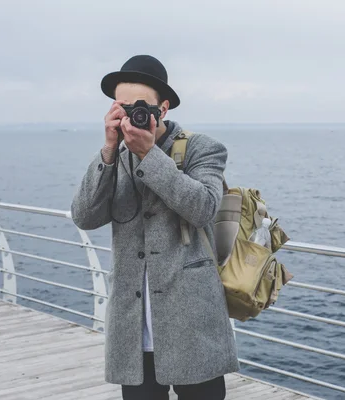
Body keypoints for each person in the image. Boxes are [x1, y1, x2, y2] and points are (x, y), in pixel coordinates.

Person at [70, 54, 239, 400]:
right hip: (133, 326)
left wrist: (150, 155)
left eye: (141, 107)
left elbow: (204, 208)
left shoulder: (202, 148)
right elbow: (85, 217)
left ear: (162, 107)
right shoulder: (115, 153)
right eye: (123, 106)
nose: (133, 115)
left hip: (191, 322)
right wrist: (107, 151)